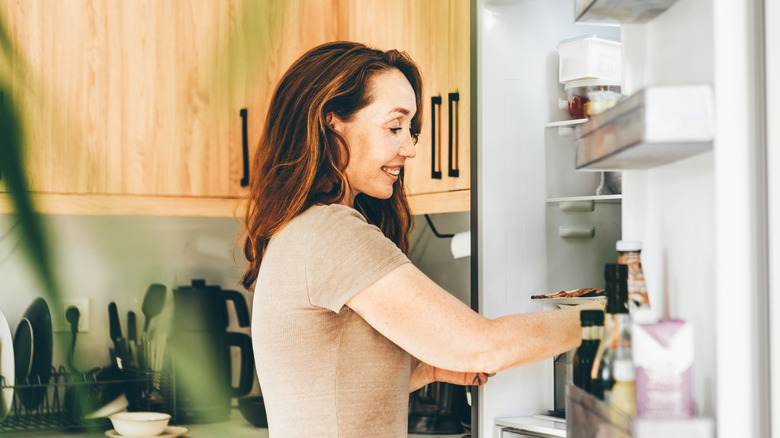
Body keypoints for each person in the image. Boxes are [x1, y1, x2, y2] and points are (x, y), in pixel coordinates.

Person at [241, 41, 600, 437]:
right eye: (395, 127)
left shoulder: (300, 230)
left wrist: (424, 369)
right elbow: (483, 345)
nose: (410, 147)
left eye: (410, 130)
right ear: (332, 121)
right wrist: (611, 317)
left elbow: (323, 384)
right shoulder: (331, 232)